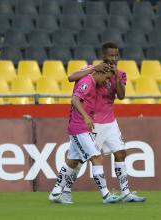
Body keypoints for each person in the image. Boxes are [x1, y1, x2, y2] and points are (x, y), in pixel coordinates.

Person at [64, 42, 146, 203]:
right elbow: (70, 78)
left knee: (121, 152)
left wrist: (115, 76)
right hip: (92, 123)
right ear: (103, 56)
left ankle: (126, 193)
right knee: (78, 160)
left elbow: (121, 96)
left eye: (116, 55)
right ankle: (65, 191)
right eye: (111, 55)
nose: (114, 58)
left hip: (110, 122)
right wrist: (94, 68)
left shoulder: (120, 74)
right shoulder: (91, 69)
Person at [48, 64, 120, 204]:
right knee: (96, 157)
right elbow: (75, 99)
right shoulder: (87, 82)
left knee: (73, 161)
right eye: (106, 78)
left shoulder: (92, 81)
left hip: (79, 127)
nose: (106, 82)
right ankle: (106, 195)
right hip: (79, 127)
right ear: (99, 72)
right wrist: (86, 116)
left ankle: (55, 193)